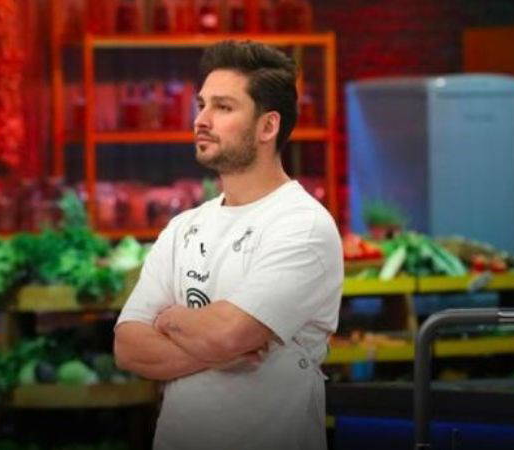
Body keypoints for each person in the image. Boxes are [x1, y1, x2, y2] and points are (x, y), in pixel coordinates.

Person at [113, 40, 343, 450]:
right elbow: (128, 348)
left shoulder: (303, 225)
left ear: (267, 127)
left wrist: (169, 320)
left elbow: (228, 333)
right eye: (202, 105)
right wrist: (218, 346)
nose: (201, 120)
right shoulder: (184, 227)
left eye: (223, 107)